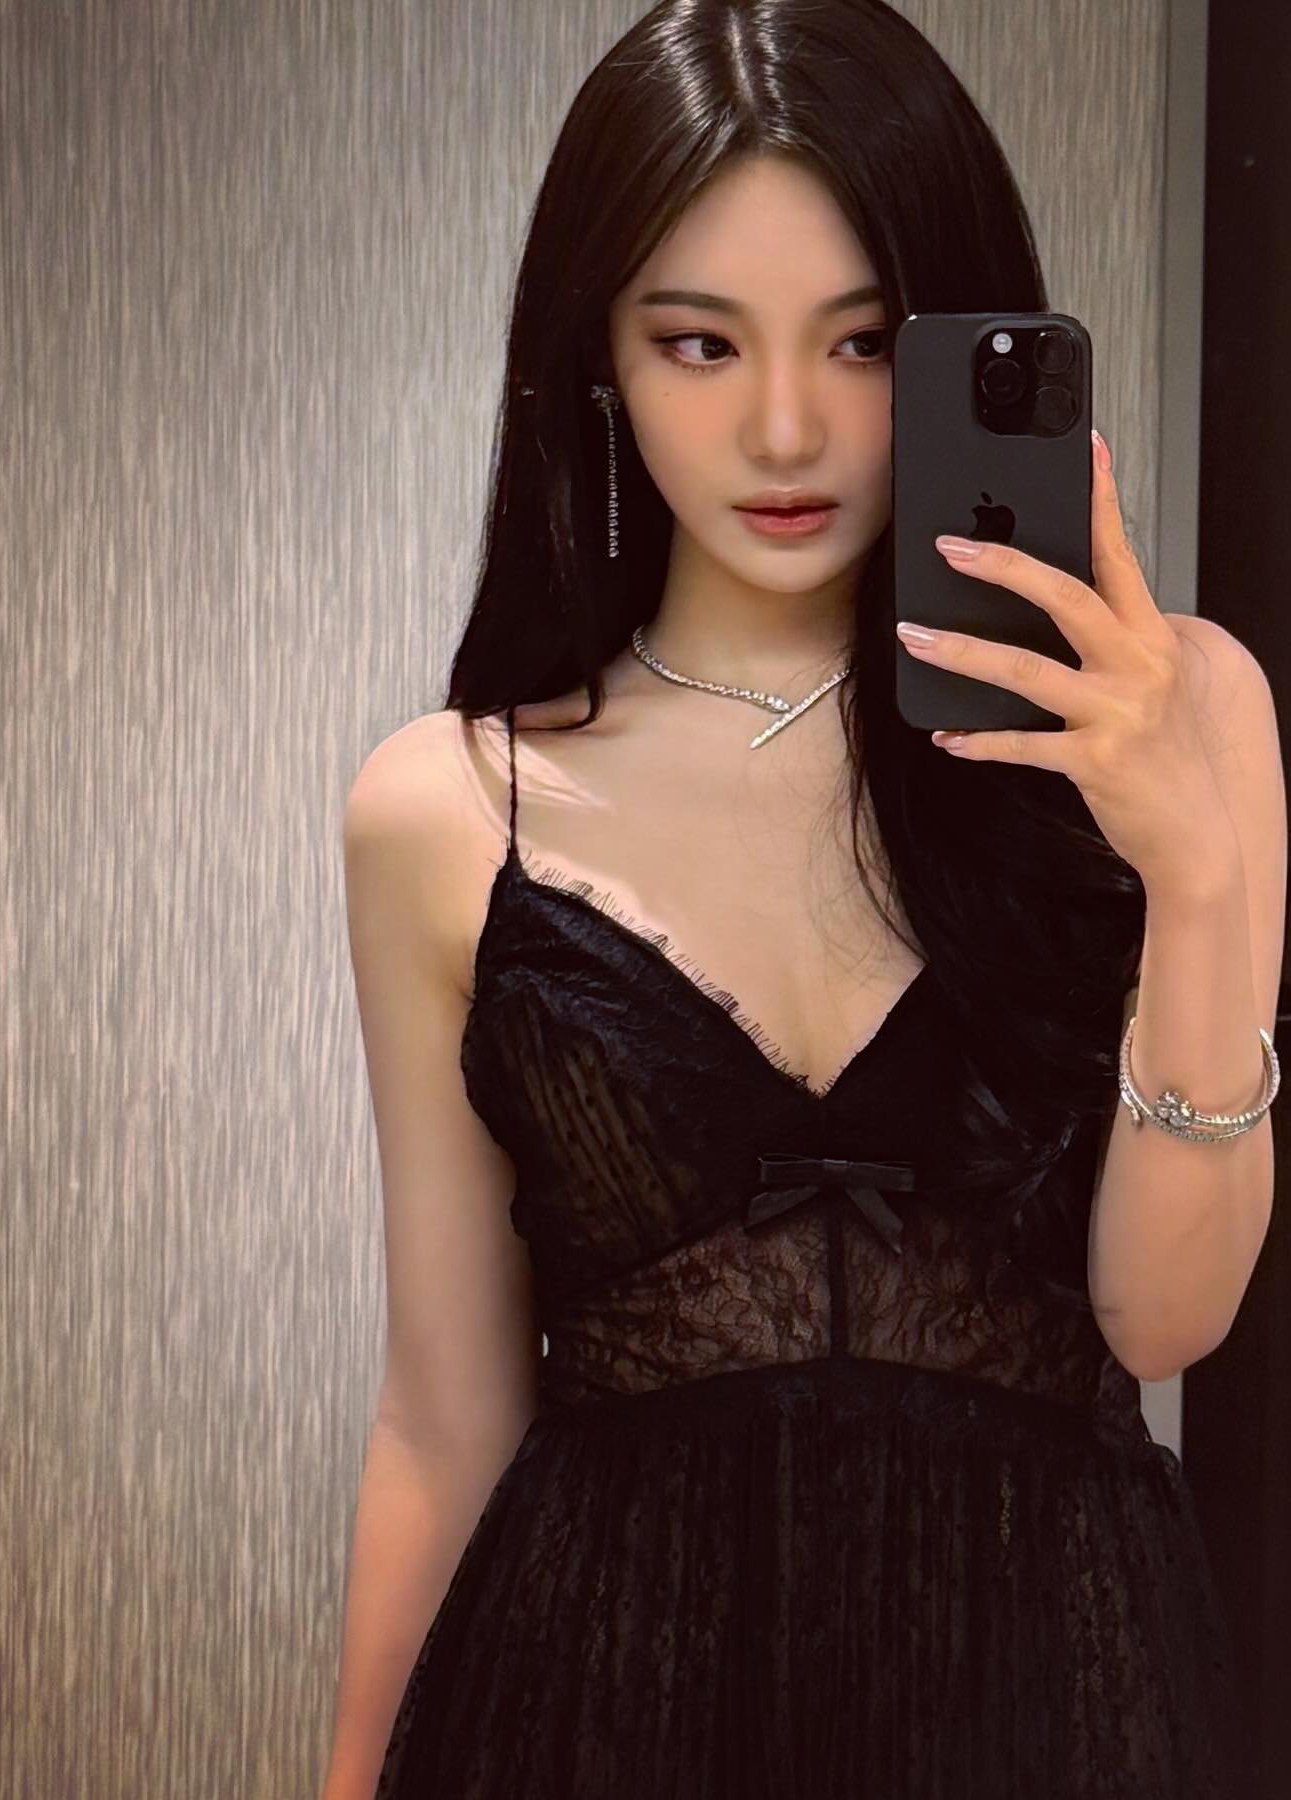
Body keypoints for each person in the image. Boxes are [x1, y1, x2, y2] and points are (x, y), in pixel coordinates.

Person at [326, 2, 1269, 1794]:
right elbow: (444, 1419)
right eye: (699, 342)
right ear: (596, 359)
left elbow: (1164, 1324)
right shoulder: (446, 809)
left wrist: (1195, 865)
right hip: (587, 1714)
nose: (784, 427)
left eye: (863, 344)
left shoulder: (1186, 713)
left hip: (1052, 1717)